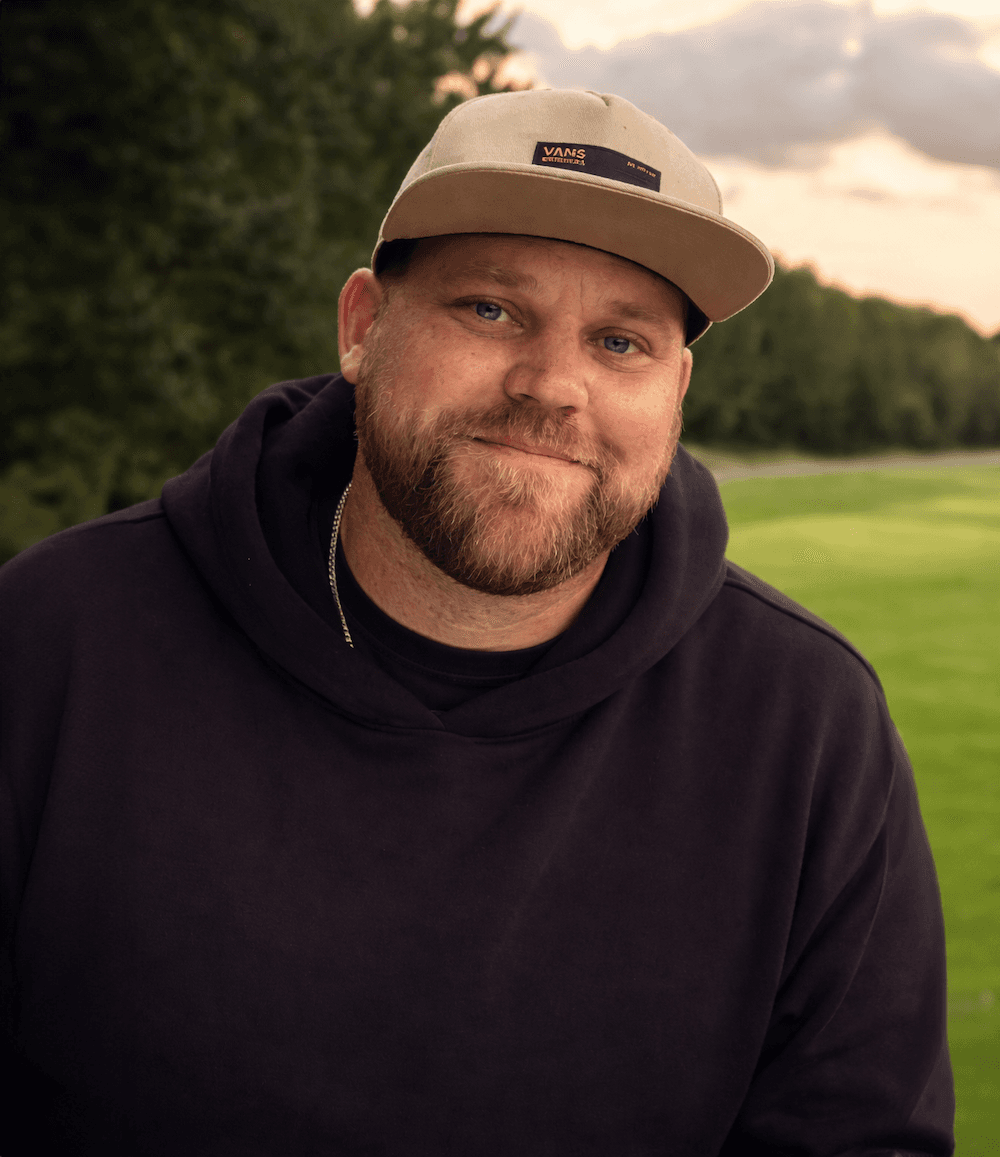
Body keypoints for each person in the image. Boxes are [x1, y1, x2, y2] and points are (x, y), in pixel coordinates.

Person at [0, 88, 954, 1155]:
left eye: (620, 341)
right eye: (491, 310)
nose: (553, 387)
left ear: (677, 389)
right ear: (363, 326)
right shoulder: (54, 642)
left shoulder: (805, 723)